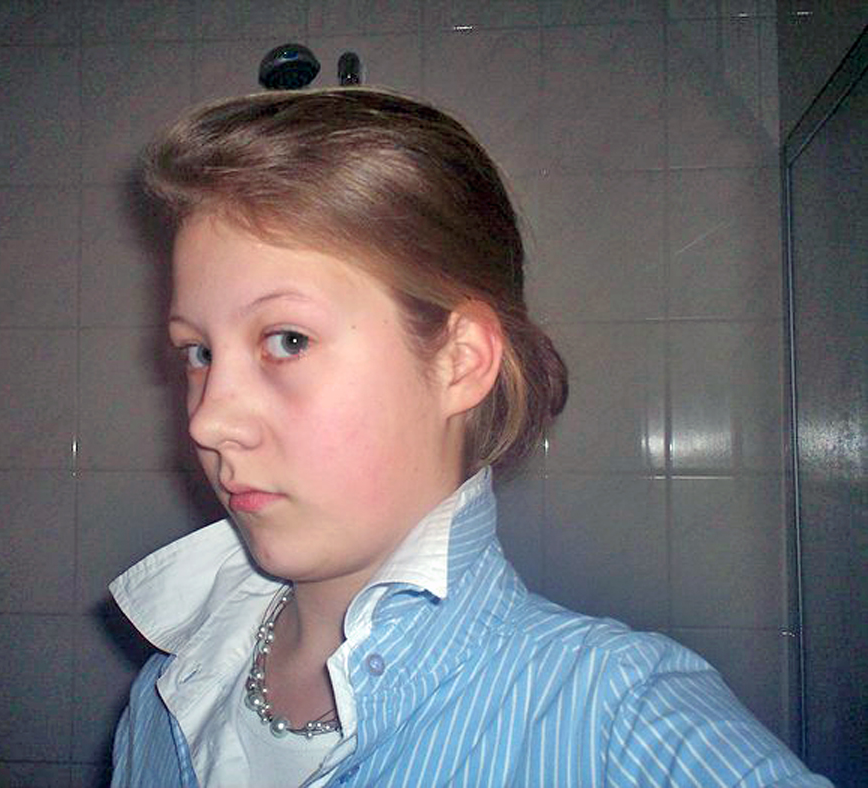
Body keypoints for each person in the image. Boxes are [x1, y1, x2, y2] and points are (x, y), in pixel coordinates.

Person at [108, 88, 830, 788]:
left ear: (460, 362)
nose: (208, 420)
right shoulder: (168, 696)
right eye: (197, 352)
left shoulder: (617, 719)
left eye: (287, 340)